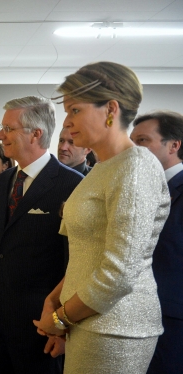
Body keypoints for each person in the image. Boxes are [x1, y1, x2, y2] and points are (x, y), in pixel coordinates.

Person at [33, 61, 170, 374]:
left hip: (116, 327)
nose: (67, 123)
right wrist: (54, 301)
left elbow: (120, 272)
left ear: (111, 108)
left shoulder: (135, 167)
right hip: (88, 320)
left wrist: (59, 318)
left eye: (75, 110)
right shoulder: (102, 168)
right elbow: (89, 255)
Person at [0, 96, 83, 373]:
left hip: (41, 323)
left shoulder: (73, 185)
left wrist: (63, 327)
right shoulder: (5, 180)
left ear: (36, 133)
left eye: (7, 128)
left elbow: (78, 262)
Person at [131, 111, 183, 374]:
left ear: (174, 145)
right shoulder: (138, 188)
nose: (133, 149)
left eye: (142, 141)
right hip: (134, 317)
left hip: (173, 321)